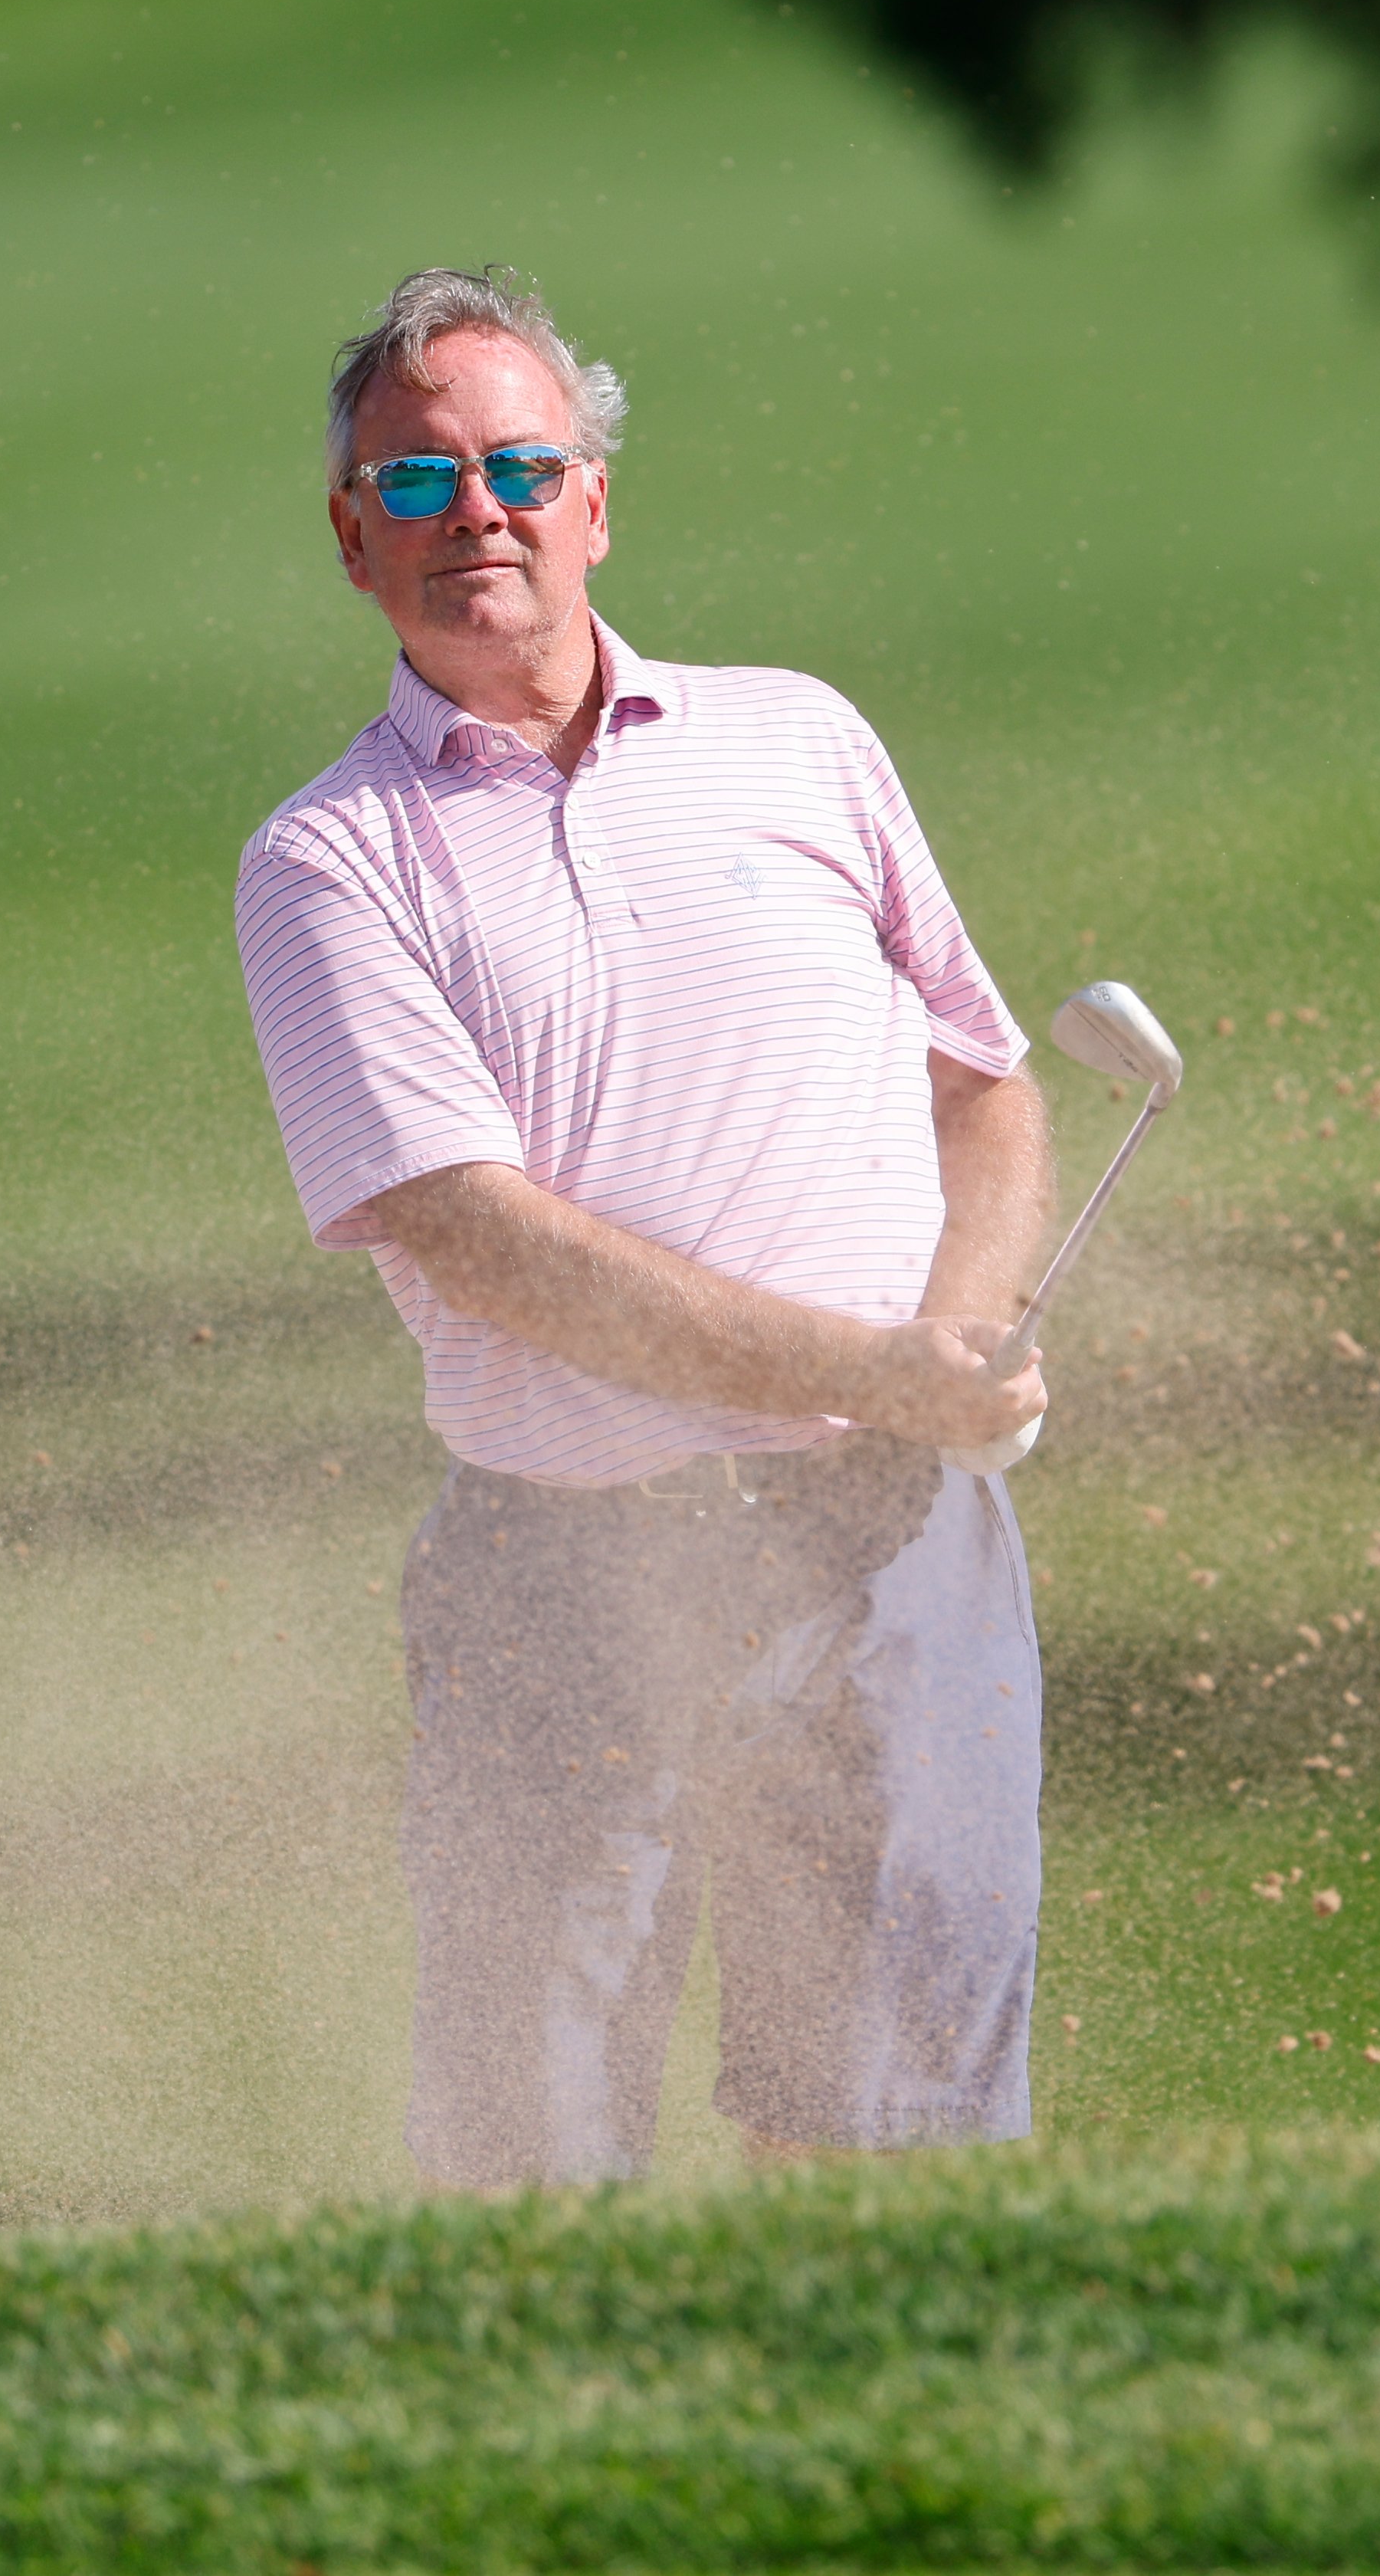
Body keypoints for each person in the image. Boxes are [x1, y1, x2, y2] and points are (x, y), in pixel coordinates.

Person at [233, 267, 1055, 2188]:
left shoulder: (802, 742)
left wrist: (961, 1337)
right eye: (419, 481)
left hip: (891, 1552)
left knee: (887, 2155)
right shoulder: (329, 859)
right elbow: (484, 1238)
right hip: (563, 1573)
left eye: (522, 467)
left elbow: (986, 1083)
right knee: (539, 2165)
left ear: (594, 500)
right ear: (355, 539)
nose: (479, 511)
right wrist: (881, 1370)